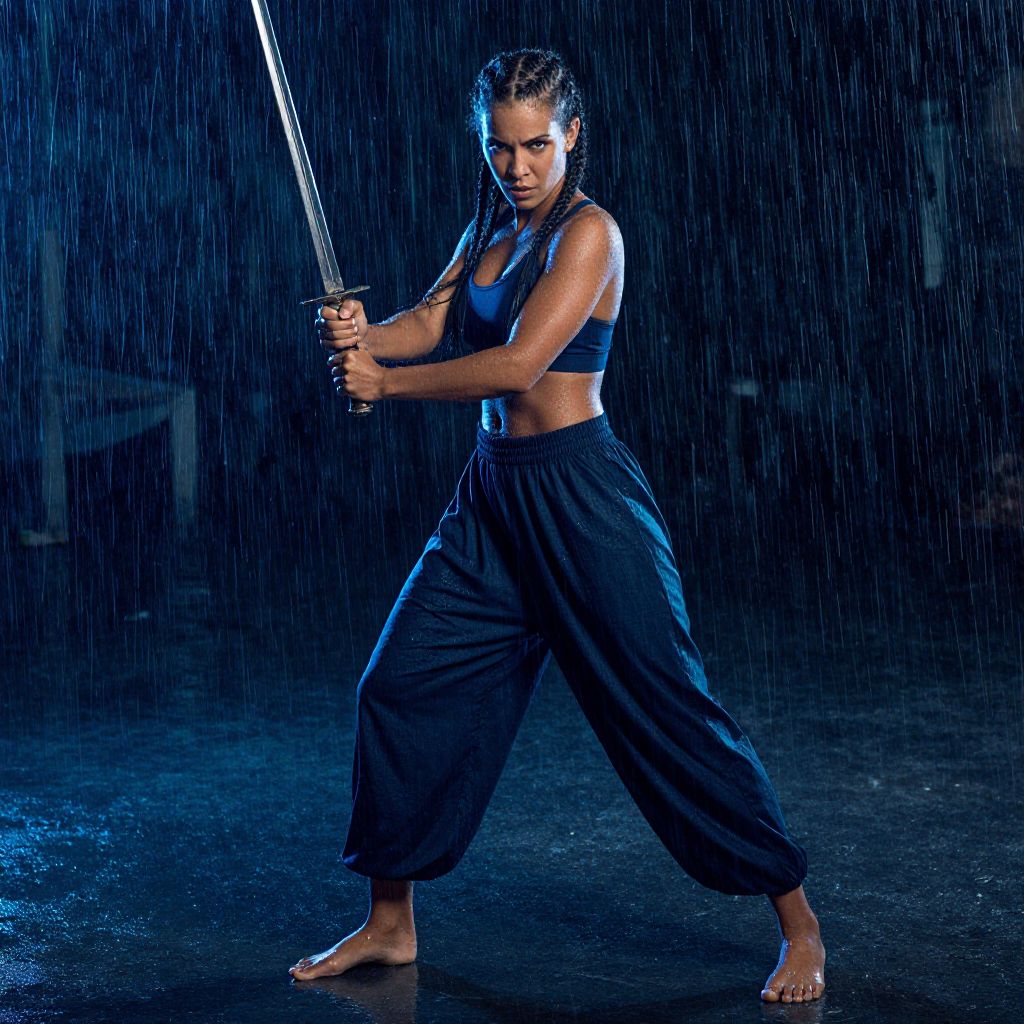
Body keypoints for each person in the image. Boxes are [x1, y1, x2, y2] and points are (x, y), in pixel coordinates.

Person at [289, 48, 826, 1004]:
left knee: (669, 710)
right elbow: (431, 318)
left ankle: (799, 923)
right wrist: (362, 336)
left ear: (572, 135)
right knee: (399, 686)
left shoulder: (591, 237)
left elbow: (518, 367)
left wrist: (386, 384)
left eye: (537, 145)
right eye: (501, 149)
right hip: (492, 501)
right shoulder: (493, 219)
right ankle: (390, 922)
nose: (520, 167)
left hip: (583, 502)